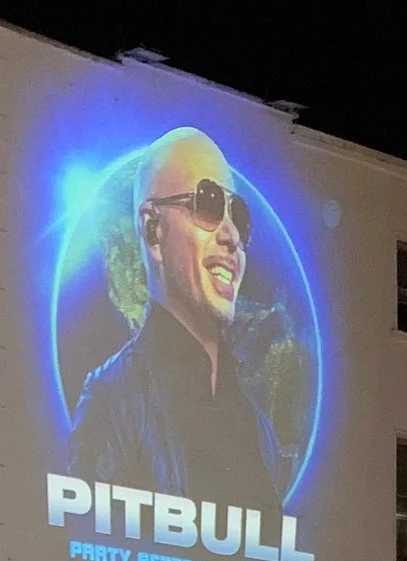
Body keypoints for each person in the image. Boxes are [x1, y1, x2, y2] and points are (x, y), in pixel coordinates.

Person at [68, 126, 283, 507]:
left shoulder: (257, 425)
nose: (232, 234)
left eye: (239, 216)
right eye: (208, 203)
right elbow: (88, 556)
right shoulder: (113, 397)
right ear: (153, 232)